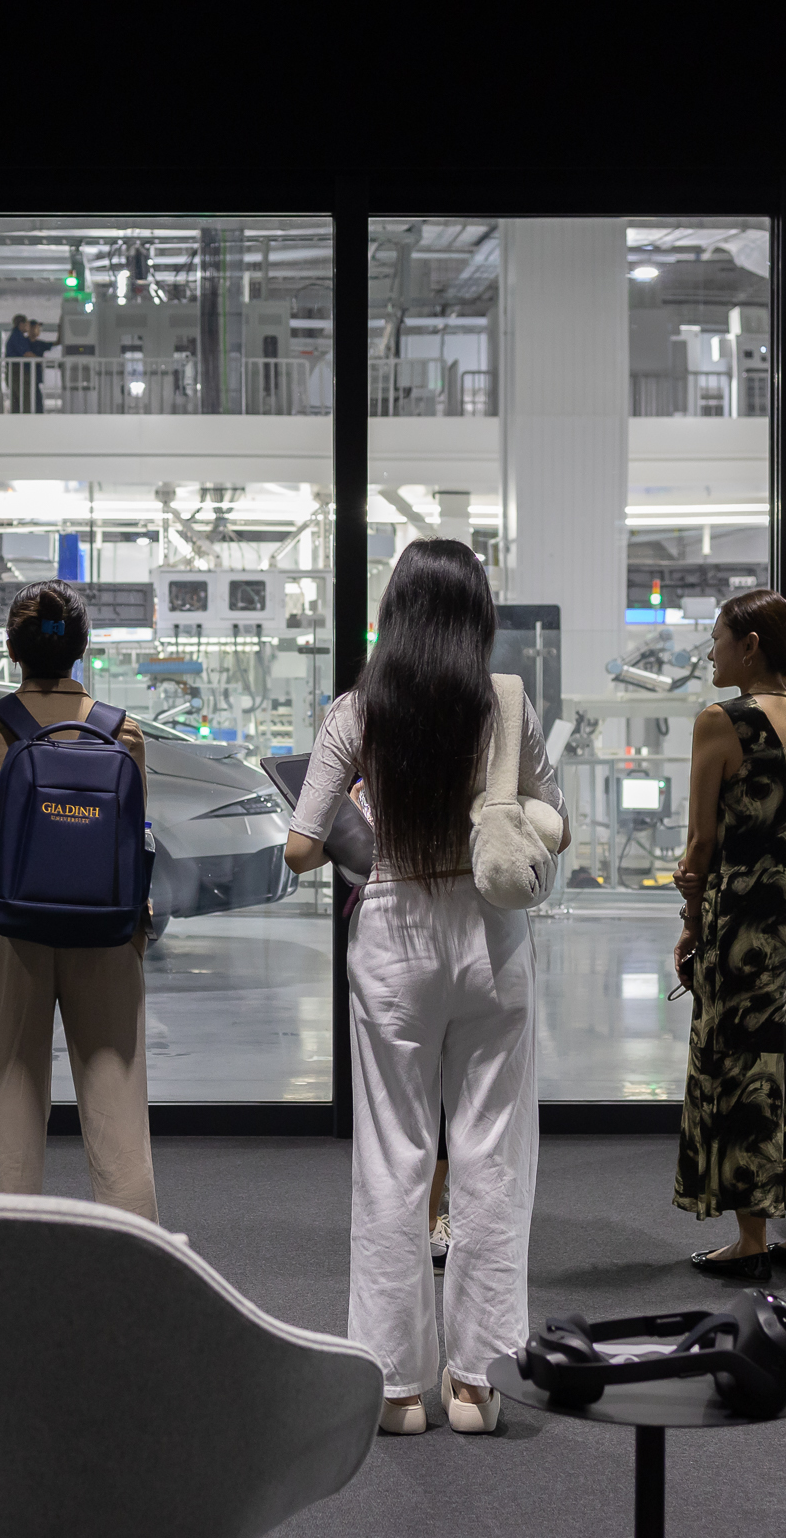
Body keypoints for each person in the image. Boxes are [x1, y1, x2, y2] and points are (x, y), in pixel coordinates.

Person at [283, 538, 568, 1438]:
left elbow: (300, 845)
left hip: (395, 935)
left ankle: (397, 1388)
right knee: (490, 1153)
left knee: (393, 1157)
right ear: (478, 615)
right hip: (490, 936)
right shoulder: (505, 705)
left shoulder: (358, 710)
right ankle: (478, 1383)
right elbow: (553, 823)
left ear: (395, 614)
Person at [0, 582, 157, 1220]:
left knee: (10, 1102)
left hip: (6, 927)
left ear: (12, 649)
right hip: (108, 932)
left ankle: (17, 1273)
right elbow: (135, 838)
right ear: (82, 649)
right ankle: (134, 1278)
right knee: (118, 1108)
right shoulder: (125, 735)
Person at [671, 587, 786, 1282]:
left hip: (747, 919)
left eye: (718, 638)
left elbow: (700, 845)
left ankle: (751, 1239)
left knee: (745, 1063)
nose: (711, 651)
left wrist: (690, 925)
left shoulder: (722, 721)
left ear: (749, 645)